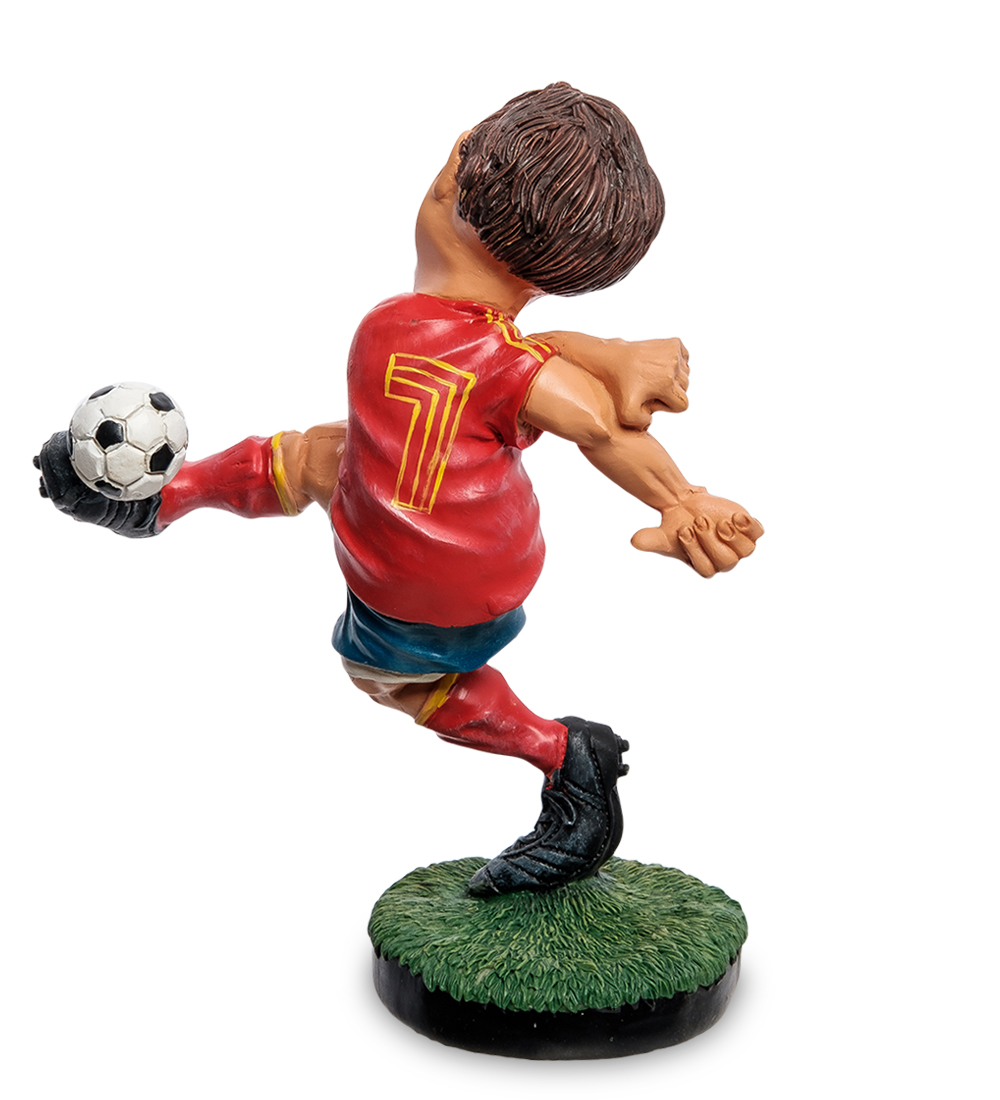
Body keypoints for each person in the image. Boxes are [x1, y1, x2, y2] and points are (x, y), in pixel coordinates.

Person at [37, 83, 763, 896]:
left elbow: (600, 427)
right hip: (472, 549)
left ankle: (565, 756)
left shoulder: (447, 342)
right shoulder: (505, 355)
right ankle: (156, 503)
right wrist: (676, 496)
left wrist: (679, 497)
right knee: (317, 453)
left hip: (426, 579)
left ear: (452, 166)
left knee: (390, 679)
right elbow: (596, 422)